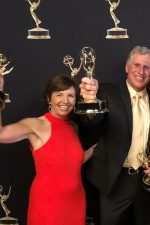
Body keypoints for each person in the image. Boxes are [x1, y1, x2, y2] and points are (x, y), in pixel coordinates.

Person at [80, 45, 150, 225]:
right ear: (127, 68)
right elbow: (91, 120)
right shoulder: (106, 92)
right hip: (113, 182)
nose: (141, 71)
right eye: (136, 65)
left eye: (146, 67)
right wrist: (90, 99)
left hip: (145, 181)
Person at [0, 72, 95, 225]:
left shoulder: (73, 127)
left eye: (70, 96)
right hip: (48, 206)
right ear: (49, 97)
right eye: (59, 94)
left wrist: (96, 149)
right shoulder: (36, 125)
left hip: (76, 203)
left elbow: (73, 161)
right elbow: (1, 134)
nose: (65, 100)